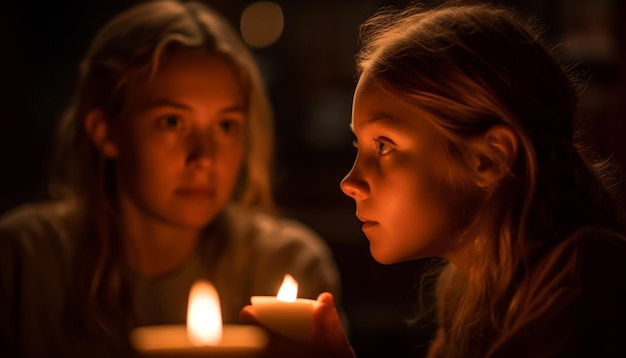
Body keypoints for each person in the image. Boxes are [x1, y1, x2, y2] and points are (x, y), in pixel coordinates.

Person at [241, 2, 626, 357]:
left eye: (385, 145)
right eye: (358, 145)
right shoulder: (467, 294)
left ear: (487, 157)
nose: (350, 182)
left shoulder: (587, 287)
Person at [0, 1, 342, 357]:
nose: (204, 158)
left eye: (226, 126)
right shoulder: (23, 263)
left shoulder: (285, 262)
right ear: (106, 133)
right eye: (172, 122)